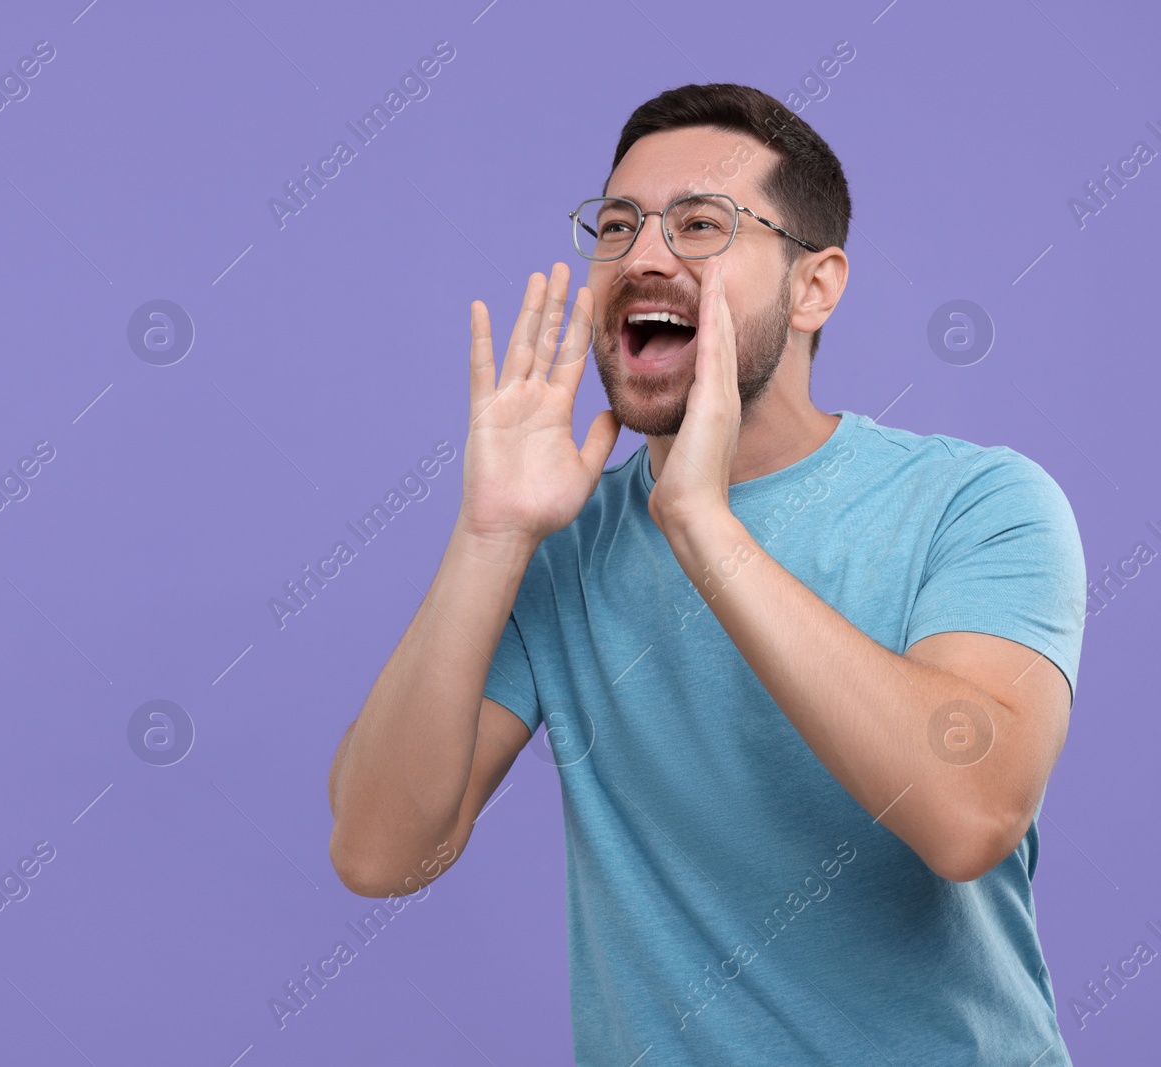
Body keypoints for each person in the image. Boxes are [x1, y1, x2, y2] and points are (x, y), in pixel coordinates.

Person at [325, 83, 1086, 1065]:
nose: (642, 256)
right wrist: (489, 534)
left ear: (814, 285)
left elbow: (967, 814)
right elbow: (379, 852)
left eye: (699, 224)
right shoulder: (559, 546)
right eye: (615, 226)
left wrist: (700, 523)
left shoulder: (978, 502)